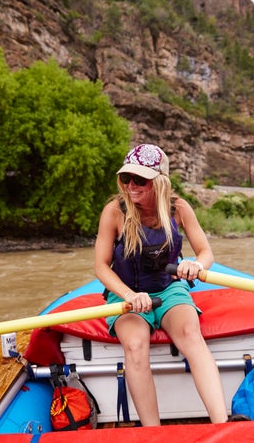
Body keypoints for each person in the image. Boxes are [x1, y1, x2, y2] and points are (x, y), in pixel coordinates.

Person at [93, 143, 228, 426]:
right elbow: (101, 266)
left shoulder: (179, 209)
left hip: (169, 289)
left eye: (140, 179)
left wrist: (196, 265)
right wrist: (129, 295)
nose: (131, 185)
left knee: (191, 334)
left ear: (159, 181)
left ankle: (221, 425)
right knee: (135, 344)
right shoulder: (114, 212)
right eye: (126, 178)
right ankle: (153, 432)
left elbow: (206, 253)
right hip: (127, 295)